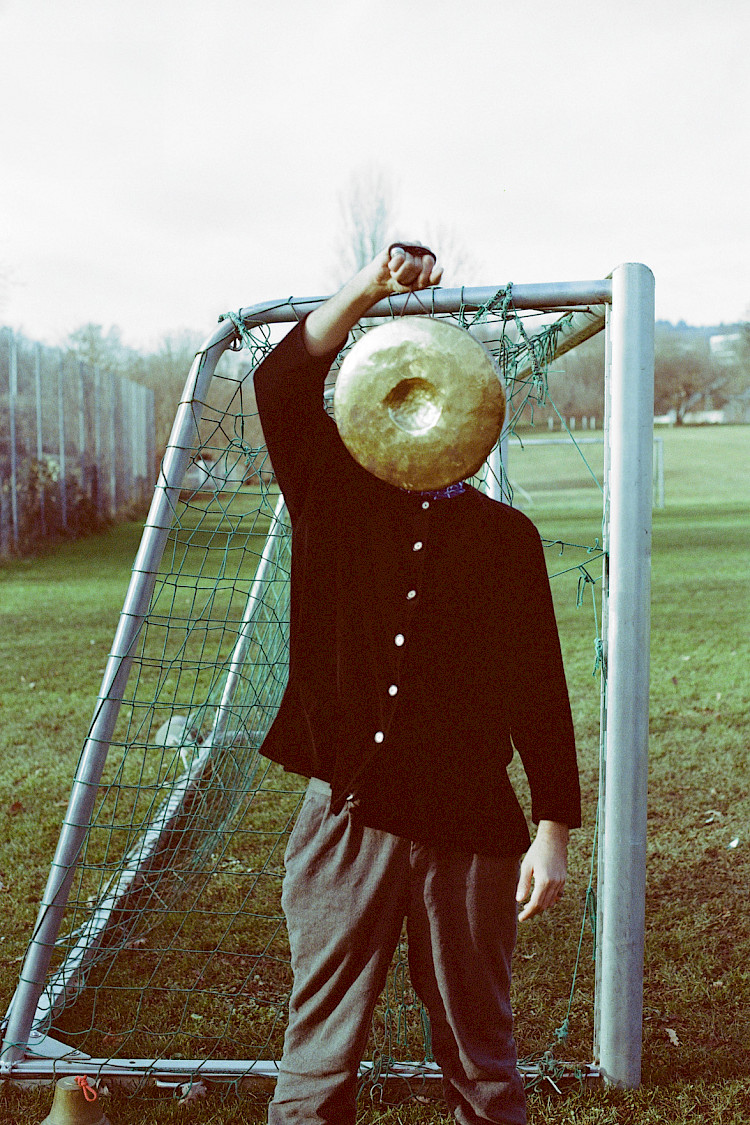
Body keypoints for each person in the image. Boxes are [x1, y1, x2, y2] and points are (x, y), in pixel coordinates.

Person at [253, 245, 581, 1125]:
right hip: (344, 818)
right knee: (318, 1058)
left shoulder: (508, 541)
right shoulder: (333, 494)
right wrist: (371, 285)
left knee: (481, 1054)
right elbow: (282, 383)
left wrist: (550, 831)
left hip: (469, 832)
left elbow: (539, 691)